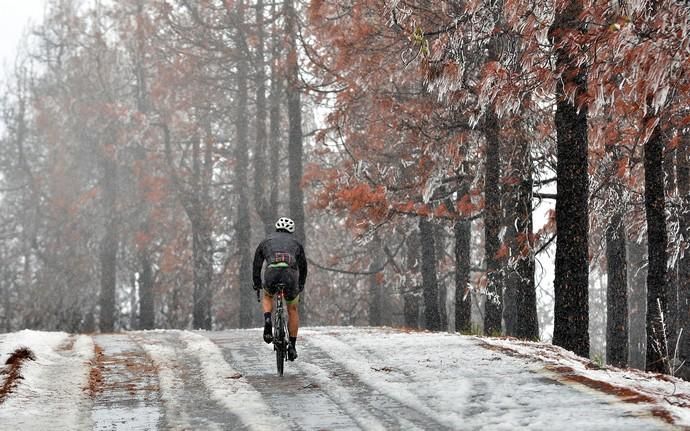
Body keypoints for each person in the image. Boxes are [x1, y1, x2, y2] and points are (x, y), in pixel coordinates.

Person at [252, 217, 307, 361]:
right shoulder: (296, 243)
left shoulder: (266, 241)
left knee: (268, 296)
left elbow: (257, 264)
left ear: (276, 228)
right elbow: (303, 267)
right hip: (290, 276)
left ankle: (268, 319)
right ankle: (293, 346)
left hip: (272, 274)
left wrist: (257, 283)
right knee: (292, 309)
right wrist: (300, 284)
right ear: (291, 231)